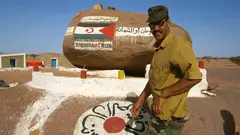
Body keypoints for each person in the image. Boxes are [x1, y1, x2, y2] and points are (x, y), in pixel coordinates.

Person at [130, 5, 202, 135]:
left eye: (160, 24)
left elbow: (195, 77)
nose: (156, 29)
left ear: (168, 22)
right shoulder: (159, 49)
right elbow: (155, 80)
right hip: (160, 114)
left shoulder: (178, 45)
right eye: (152, 25)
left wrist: (163, 94)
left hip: (170, 118)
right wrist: (140, 101)